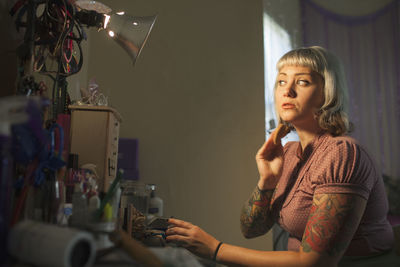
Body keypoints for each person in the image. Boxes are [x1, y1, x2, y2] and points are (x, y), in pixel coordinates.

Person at [165, 46, 397, 266]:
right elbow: (251, 230)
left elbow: (316, 263)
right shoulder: (289, 152)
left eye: (303, 82)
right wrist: (267, 181)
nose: (287, 90)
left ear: (328, 93)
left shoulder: (342, 153)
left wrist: (215, 249)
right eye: (281, 81)